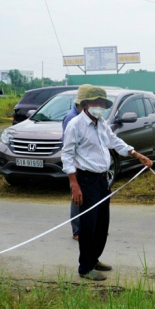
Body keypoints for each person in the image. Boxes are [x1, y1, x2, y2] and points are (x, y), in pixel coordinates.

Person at [62, 86, 152, 281]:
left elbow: (114, 141)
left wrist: (137, 155)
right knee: (88, 224)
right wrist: (74, 184)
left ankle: (94, 258)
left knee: (102, 223)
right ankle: (85, 267)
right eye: (97, 102)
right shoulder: (75, 125)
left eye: (103, 103)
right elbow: (67, 155)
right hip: (86, 180)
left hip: (103, 179)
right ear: (86, 104)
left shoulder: (101, 123)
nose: (101, 106)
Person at [62, 85, 88, 241]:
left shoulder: (85, 117)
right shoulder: (71, 118)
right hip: (75, 164)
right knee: (77, 196)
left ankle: (87, 226)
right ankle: (77, 230)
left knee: (86, 196)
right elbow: (68, 146)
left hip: (85, 164)